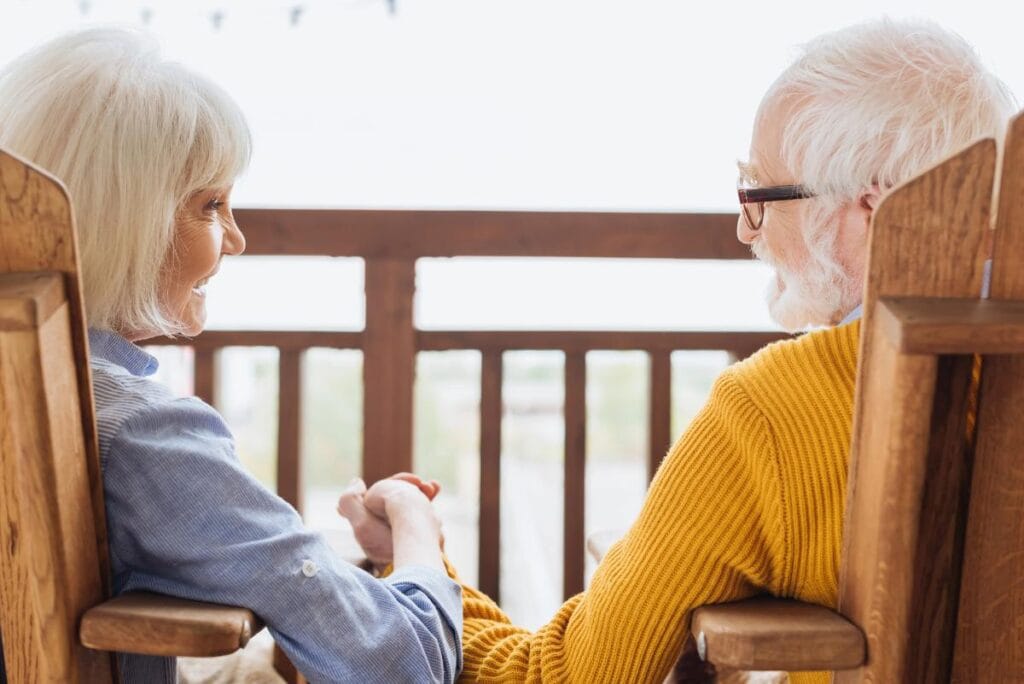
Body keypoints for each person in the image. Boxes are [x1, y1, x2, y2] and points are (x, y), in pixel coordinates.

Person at [338, 18, 1017, 683]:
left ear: (875, 206)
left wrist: (417, 555)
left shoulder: (775, 414)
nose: (745, 230)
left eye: (760, 196)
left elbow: (560, 676)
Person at [0, 28, 461, 683]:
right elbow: (400, 663)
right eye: (211, 205)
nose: (237, 239)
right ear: (126, 222)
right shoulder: (141, 435)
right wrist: (417, 534)